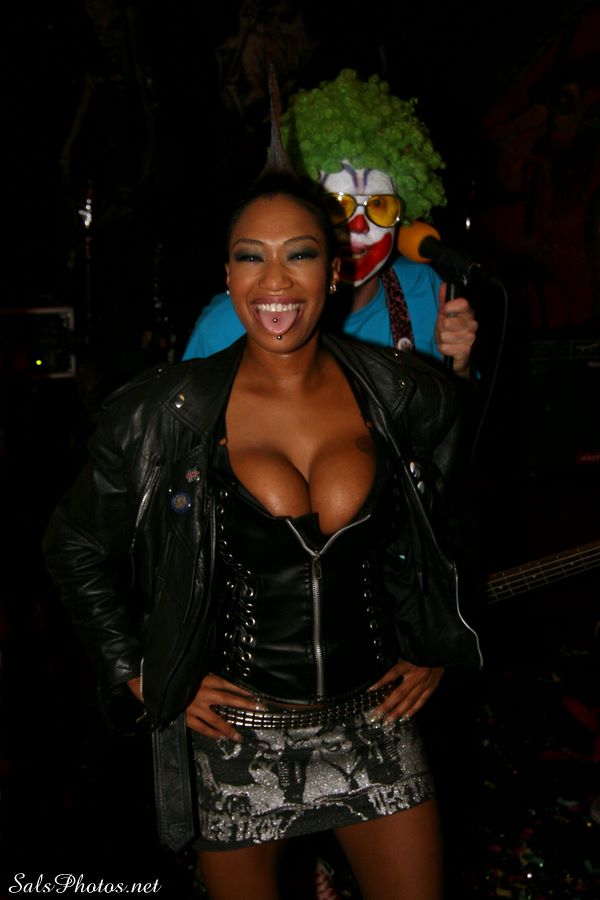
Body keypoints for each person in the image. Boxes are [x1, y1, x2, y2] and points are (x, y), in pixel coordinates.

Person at [43, 169, 481, 900]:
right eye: (252, 256)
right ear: (227, 274)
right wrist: (146, 673)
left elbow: (451, 526)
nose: (275, 280)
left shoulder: (404, 392)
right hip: (236, 733)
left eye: (299, 254)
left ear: (334, 271)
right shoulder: (163, 412)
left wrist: (438, 640)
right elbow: (73, 544)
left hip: (375, 721)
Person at [182, 69, 478, 380]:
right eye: (337, 206)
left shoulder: (424, 290)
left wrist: (459, 367)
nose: (358, 227)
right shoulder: (228, 325)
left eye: (379, 205)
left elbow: (461, 407)